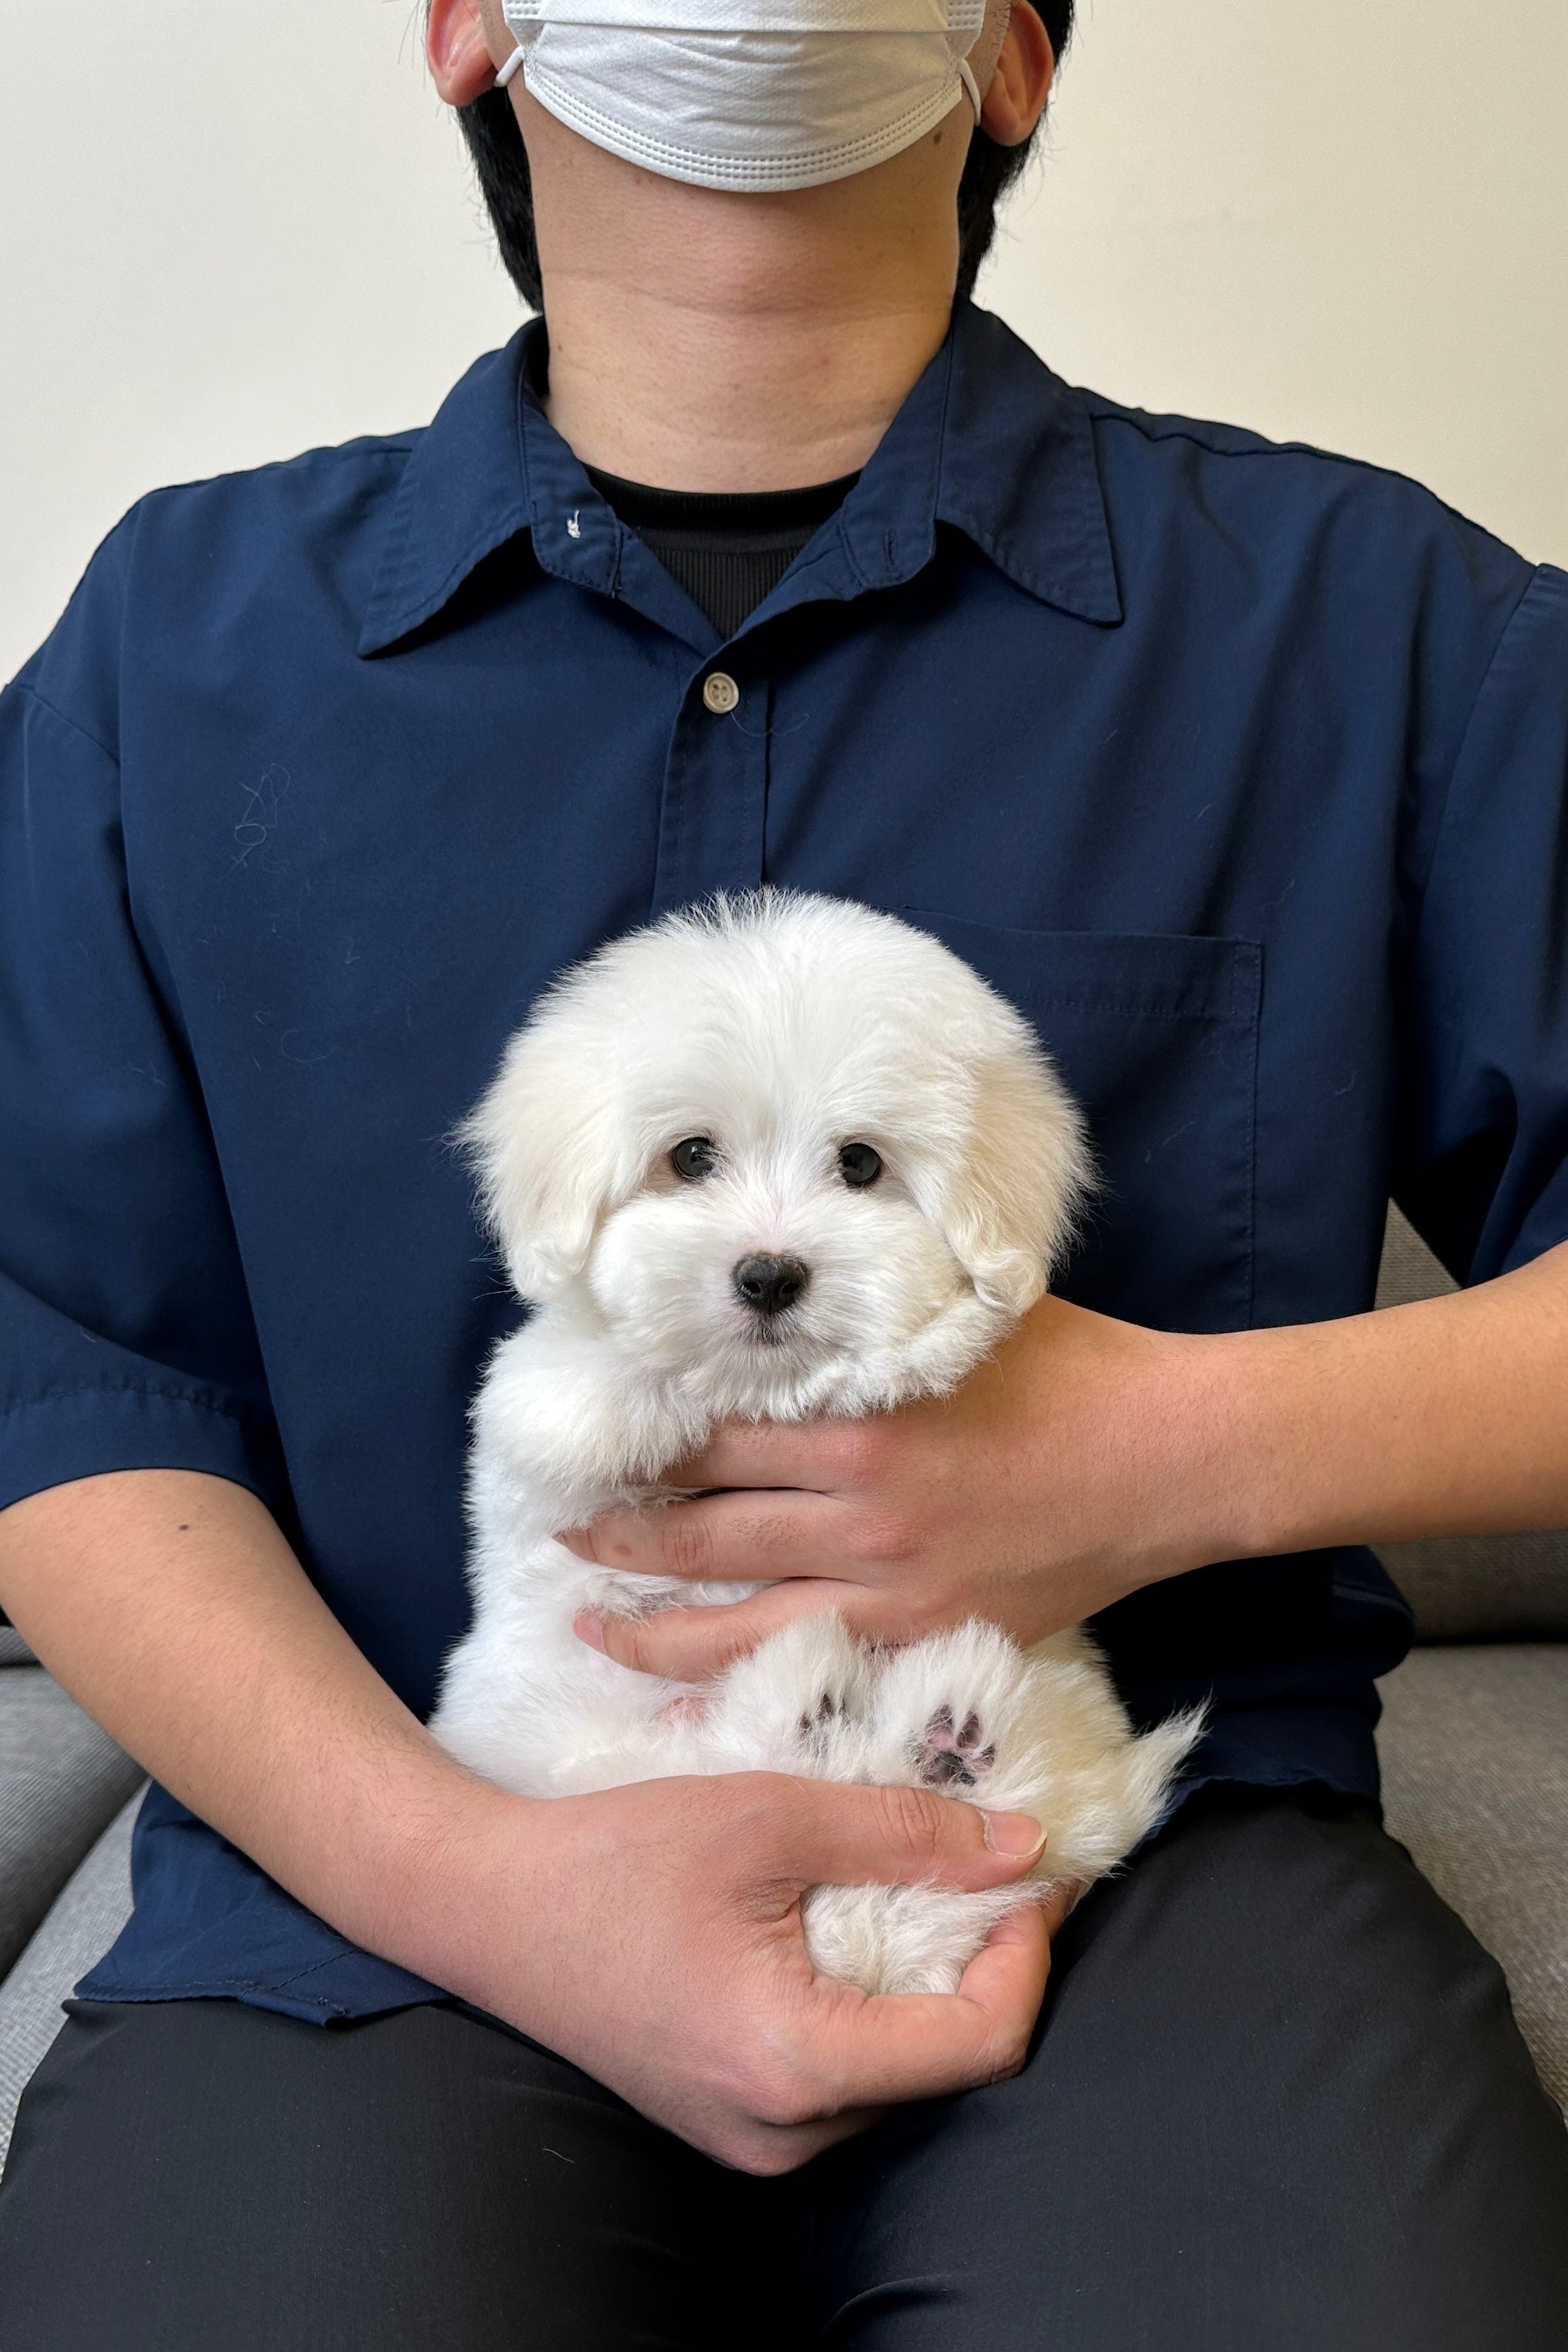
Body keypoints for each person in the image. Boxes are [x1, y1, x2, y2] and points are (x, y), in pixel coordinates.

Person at [0, 0, 1564, 2340]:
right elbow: (64, 1375)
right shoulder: (169, 651)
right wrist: (475, 1878)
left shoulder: (1378, 627)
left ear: (1013, 53)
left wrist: (1160, 1450)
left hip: (1127, 1859)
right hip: (389, 1858)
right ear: (465, 28)